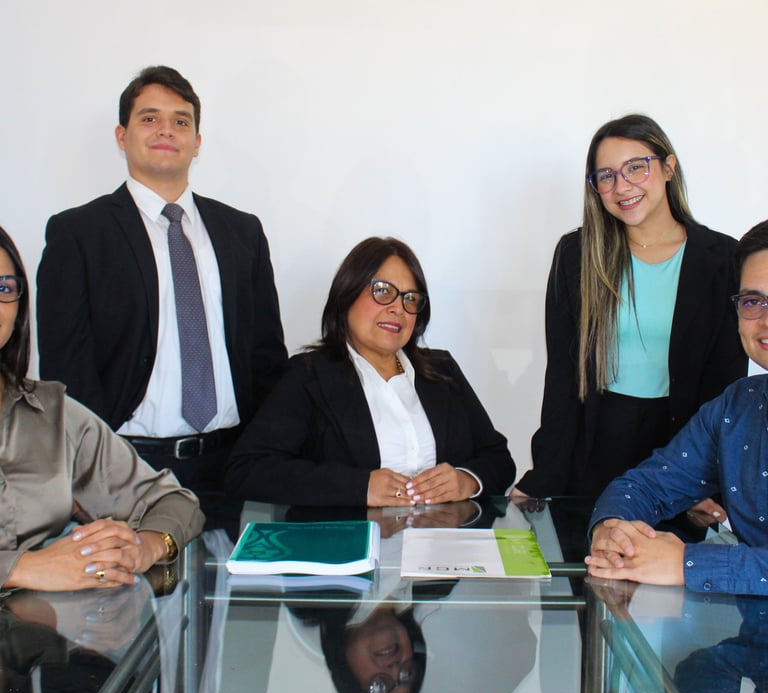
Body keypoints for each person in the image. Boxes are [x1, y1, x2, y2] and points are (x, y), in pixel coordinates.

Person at [36, 65, 287, 493]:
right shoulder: (78, 234)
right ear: (122, 136)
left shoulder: (242, 232)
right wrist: (94, 471)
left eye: (181, 121)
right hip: (126, 467)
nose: (166, 130)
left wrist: (266, 449)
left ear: (197, 142)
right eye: (149, 118)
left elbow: (266, 355)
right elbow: (67, 368)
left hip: (233, 465)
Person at [513, 114, 747, 502]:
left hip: (680, 451)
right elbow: (563, 377)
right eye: (606, 176)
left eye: (636, 167)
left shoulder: (722, 258)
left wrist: (711, 479)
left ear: (668, 167)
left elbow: (725, 383)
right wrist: (544, 475)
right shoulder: (577, 254)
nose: (621, 187)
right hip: (593, 450)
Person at [226, 237, 516, 506]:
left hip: (442, 541)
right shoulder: (307, 376)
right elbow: (248, 470)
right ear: (347, 295)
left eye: (410, 299)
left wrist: (467, 480)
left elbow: (498, 458)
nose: (398, 309)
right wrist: (360, 487)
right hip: (351, 542)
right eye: (383, 292)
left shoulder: (443, 370)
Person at [0, 225, 204, 592]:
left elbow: (175, 503)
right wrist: (22, 569)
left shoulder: (52, 413)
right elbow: (35, 568)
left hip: (39, 626)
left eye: (3, 289)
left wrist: (144, 546)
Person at [585, 219, 768, 595]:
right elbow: (647, 485)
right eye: (753, 302)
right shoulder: (738, 406)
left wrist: (687, 562)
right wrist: (613, 529)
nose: (765, 320)